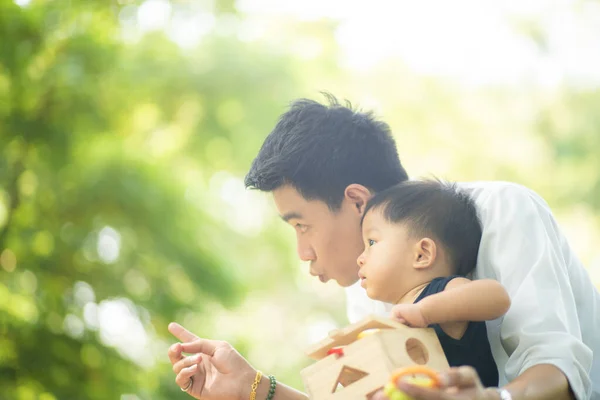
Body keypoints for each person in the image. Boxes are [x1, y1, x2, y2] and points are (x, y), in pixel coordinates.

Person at [168, 96, 600, 400]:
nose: (302, 252)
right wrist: (257, 389)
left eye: (302, 225)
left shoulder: (502, 209)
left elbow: (559, 368)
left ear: (357, 201)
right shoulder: (365, 288)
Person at [358, 180, 510, 388]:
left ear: (422, 254)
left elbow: (496, 296)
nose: (360, 258)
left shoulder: (437, 295)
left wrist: (425, 312)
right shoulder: (398, 317)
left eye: (371, 243)